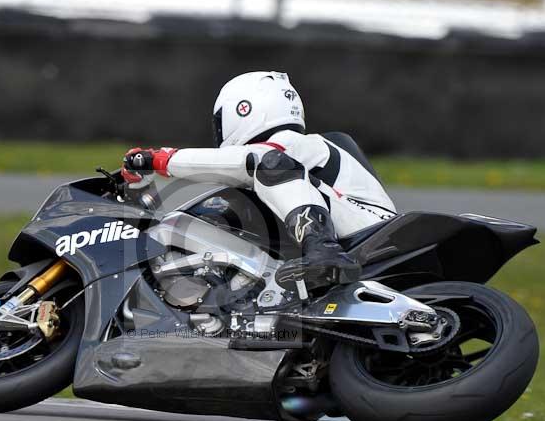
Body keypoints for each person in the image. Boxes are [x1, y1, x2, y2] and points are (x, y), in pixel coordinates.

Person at [121, 71, 396, 292]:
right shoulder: (299, 165)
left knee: (271, 167)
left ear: (244, 110)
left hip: (366, 238)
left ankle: (322, 249)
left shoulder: (295, 147)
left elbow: (253, 160)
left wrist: (160, 160)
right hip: (364, 236)